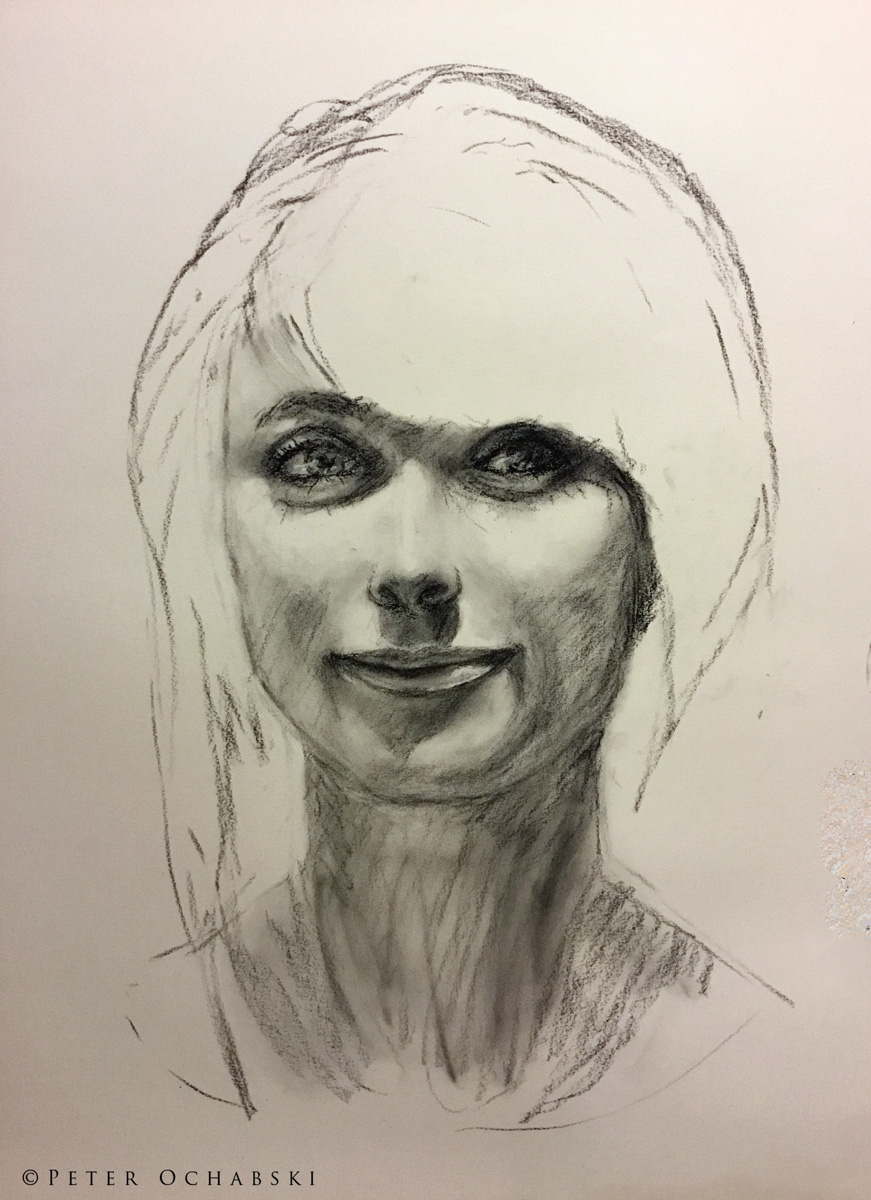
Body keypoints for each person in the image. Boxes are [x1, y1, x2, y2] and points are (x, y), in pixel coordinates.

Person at [127, 64, 779, 1125]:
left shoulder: (771, 1075)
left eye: (519, 460)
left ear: (661, 533)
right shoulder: (121, 1053)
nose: (412, 567)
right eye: (319, 460)